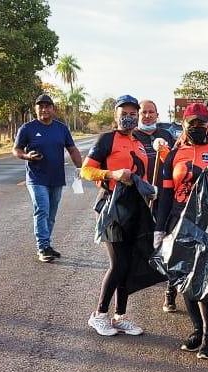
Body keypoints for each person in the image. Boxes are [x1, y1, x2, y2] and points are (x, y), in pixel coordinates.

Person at [154, 102, 208, 359]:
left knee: (205, 279)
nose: (198, 128)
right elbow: (166, 196)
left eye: (202, 123)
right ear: (184, 125)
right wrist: (160, 229)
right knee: (184, 277)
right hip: (180, 223)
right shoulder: (174, 155)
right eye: (193, 124)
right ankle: (196, 330)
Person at [81, 94, 152, 337]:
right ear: (116, 115)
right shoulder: (107, 139)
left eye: (133, 113)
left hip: (135, 207)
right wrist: (112, 174)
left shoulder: (139, 143)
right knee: (118, 263)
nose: (129, 117)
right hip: (112, 208)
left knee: (129, 264)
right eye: (124, 113)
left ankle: (120, 316)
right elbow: (86, 170)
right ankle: (99, 315)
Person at [12, 93, 82, 262]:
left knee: (51, 214)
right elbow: (16, 150)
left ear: (53, 109)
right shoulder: (27, 128)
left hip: (57, 178)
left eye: (47, 106)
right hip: (36, 178)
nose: (44, 109)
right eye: (40, 106)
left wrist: (81, 167)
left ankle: (47, 245)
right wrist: (27, 156)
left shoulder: (61, 128)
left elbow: (72, 149)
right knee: (42, 210)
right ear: (36, 109)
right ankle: (43, 247)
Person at [132, 99, 178, 313]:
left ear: (157, 115)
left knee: (167, 240)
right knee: (140, 238)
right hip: (140, 196)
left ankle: (170, 289)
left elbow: (175, 162)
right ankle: (139, 275)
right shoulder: (132, 135)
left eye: (151, 112)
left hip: (164, 197)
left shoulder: (167, 135)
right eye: (144, 112)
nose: (147, 116)